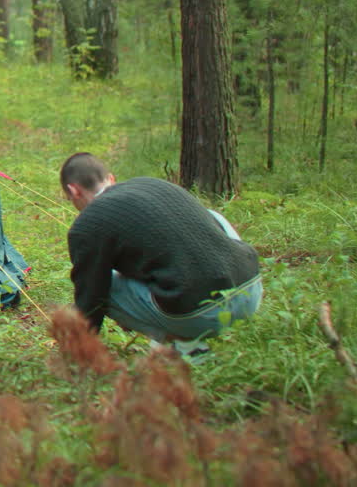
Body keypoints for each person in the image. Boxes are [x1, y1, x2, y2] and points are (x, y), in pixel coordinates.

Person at [59, 152, 262, 359]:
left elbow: (91, 299)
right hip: (251, 291)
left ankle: (186, 344)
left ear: (73, 190)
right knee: (213, 216)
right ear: (111, 179)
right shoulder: (150, 183)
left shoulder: (87, 225)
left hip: (202, 313)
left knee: (105, 283)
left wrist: (76, 346)